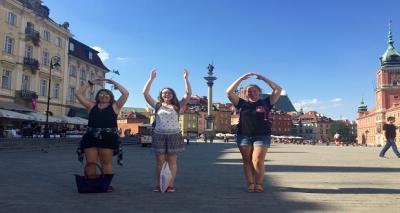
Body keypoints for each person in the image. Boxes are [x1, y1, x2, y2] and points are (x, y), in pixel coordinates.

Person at [226, 72, 282, 193]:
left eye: (254, 90)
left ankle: (259, 183)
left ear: (259, 92)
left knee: (257, 160)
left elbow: (278, 89)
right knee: (246, 160)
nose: (252, 92)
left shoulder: (266, 102)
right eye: (249, 91)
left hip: (262, 135)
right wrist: (241, 79)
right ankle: (250, 183)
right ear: (245, 94)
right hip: (243, 135)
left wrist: (262, 78)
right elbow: (229, 92)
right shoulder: (241, 103)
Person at [75, 78, 129, 192]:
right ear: (98, 97)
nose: (103, 97)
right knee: (91, 162)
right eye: (101, 95)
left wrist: (115, 83)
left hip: (108, 137)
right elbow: (78, 93)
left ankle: (105, 184)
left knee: (106, 162)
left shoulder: (115, 106)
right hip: (91, 136)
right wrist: (90, 83)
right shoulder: (91, 105)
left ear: (110, 97)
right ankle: (91, 183)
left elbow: (126, 93)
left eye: (106, 95)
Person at [143, 68, 191, 192]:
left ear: (173, 95)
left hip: (174, 135)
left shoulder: (177, 106)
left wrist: (186, 79)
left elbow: (188, 94)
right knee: (160, 161)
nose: (166, 94)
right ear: (161, 95)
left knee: (172, 161)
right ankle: (160, 184)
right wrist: (151, 79)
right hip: (159, 135)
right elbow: (145, 93)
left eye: (169, 93)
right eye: (164, 93)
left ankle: (170, 184)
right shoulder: (157, 105)